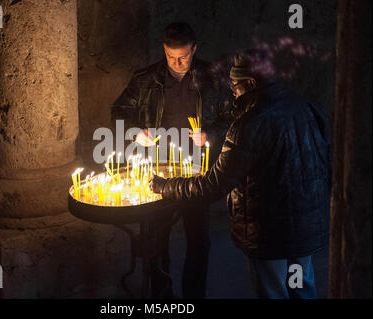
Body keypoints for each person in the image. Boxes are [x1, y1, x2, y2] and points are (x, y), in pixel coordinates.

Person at [150, 49, 332, 299]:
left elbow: (214, 186)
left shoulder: (250, 125)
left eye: (235, 85)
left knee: (274, 292)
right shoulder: (309, 108)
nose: (232, 91)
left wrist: (165, 186)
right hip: (306, 225)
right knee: (302, 288)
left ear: (251, 83)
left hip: (269, 234)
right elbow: (327, 166)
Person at [111, 22, 230, 298]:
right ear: (163, 51)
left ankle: (193, 297)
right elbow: (119, 110)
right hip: (159, 172)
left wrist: (211, 133)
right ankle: (162, 297)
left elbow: (238, 118)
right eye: (170, 57)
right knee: (156, 239)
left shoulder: (214, 79)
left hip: (196, 173)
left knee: (198, 240)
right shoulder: (145, 80)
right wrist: (134, 132)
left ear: (195, 49)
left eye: (184, 57)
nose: (177, 63)